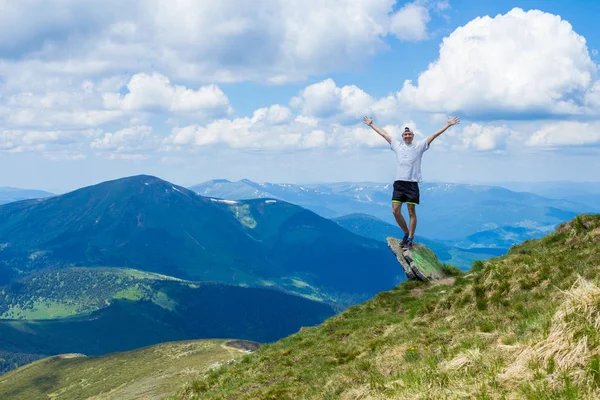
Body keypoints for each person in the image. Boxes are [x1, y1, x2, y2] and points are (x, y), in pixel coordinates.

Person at [363, 116, 460, 249]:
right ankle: (406, 233)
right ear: (402, 136)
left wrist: (448, 125)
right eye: (405, 134)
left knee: (411, 211)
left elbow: (435, 134)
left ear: (413, 136)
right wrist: (371, 124)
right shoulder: (397, 145)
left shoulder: (419, 146)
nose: (407, 136)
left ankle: (410, 238)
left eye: (409, 134)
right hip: (399, 183)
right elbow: (384, 134)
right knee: (395, 211)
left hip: (412, 184)